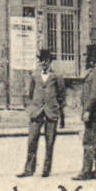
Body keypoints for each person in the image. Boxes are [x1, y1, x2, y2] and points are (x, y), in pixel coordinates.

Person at [19, 49, 65, 178]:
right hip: (36, 112)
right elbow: (28, 94)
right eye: (41, 61)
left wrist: (58, 109)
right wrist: (30, 109)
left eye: (46, 61)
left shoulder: (57, 76)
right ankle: (29, 169)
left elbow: (61, 95)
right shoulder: (34, 75)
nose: (44, 63)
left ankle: (46, 169)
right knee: (32, 140)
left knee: (49, 142)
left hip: (51, 112)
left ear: (50, 62)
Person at [74, 44, 96, 180]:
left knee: (89, 141)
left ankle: (86, 171)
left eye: (88, 57)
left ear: (92, 58)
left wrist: (87, 110)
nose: (86, 60)